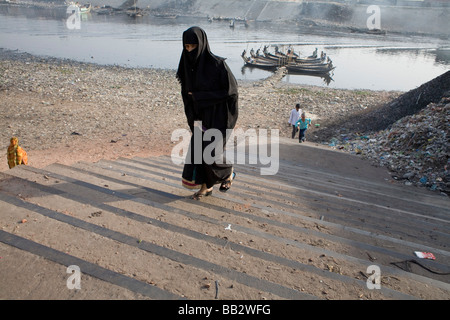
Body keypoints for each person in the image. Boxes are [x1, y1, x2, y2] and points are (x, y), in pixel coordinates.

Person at [176, 26, 239, 200]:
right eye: (186, 47)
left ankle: (227, 171)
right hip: (198, 117)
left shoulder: (217, 65)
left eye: (193, 47)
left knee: (210, 153)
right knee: (199, 154)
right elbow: (186, 94)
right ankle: (207, 187)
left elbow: (231, 91)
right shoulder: (187, 66)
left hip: (218, 117)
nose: (190, 51)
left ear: (202, 44)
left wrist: (200, 97)